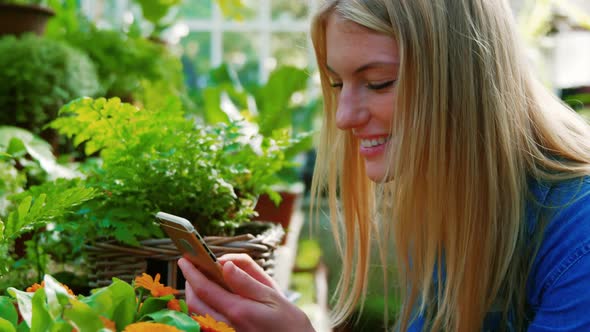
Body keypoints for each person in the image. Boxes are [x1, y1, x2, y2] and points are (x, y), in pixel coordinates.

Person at [179, 0, 590, 330]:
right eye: (337, 84)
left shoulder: (580, 235)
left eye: (378, 82)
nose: (343, 117)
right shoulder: (451, 199)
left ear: (464, 79)